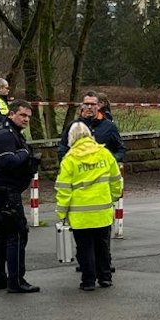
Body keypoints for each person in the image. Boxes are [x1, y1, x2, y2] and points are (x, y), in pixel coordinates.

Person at [54, 119, 123, 292]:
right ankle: (105, 277)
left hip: (80, 214)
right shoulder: (105, 154)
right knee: (102, 246)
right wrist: (112, 198)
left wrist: (61, 212)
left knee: (84, 248)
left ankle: (88, 280)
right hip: (103, 210)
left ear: (71, 137)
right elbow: (116, 180)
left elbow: (64, 189)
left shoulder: (69, 159)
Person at [0, 101, 40, 294]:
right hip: (4, 190)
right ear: (11, 114)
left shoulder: (6, 131)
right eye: (22, 115)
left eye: (28, 117)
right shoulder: (6, 134)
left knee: (1, 234)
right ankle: (16, 281)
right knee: (16, 234)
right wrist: (25, 152)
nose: (26, 120)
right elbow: (7, 160)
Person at [57, 90, 126, 162]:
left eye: (92, 104)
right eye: (86, 104)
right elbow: (62, 148)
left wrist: (110, 161)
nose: (89, 107)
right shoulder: (73, 126)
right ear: (82, 106)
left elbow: (120, 149)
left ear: (98, 106)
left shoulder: (109, 126)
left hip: (103, 171)